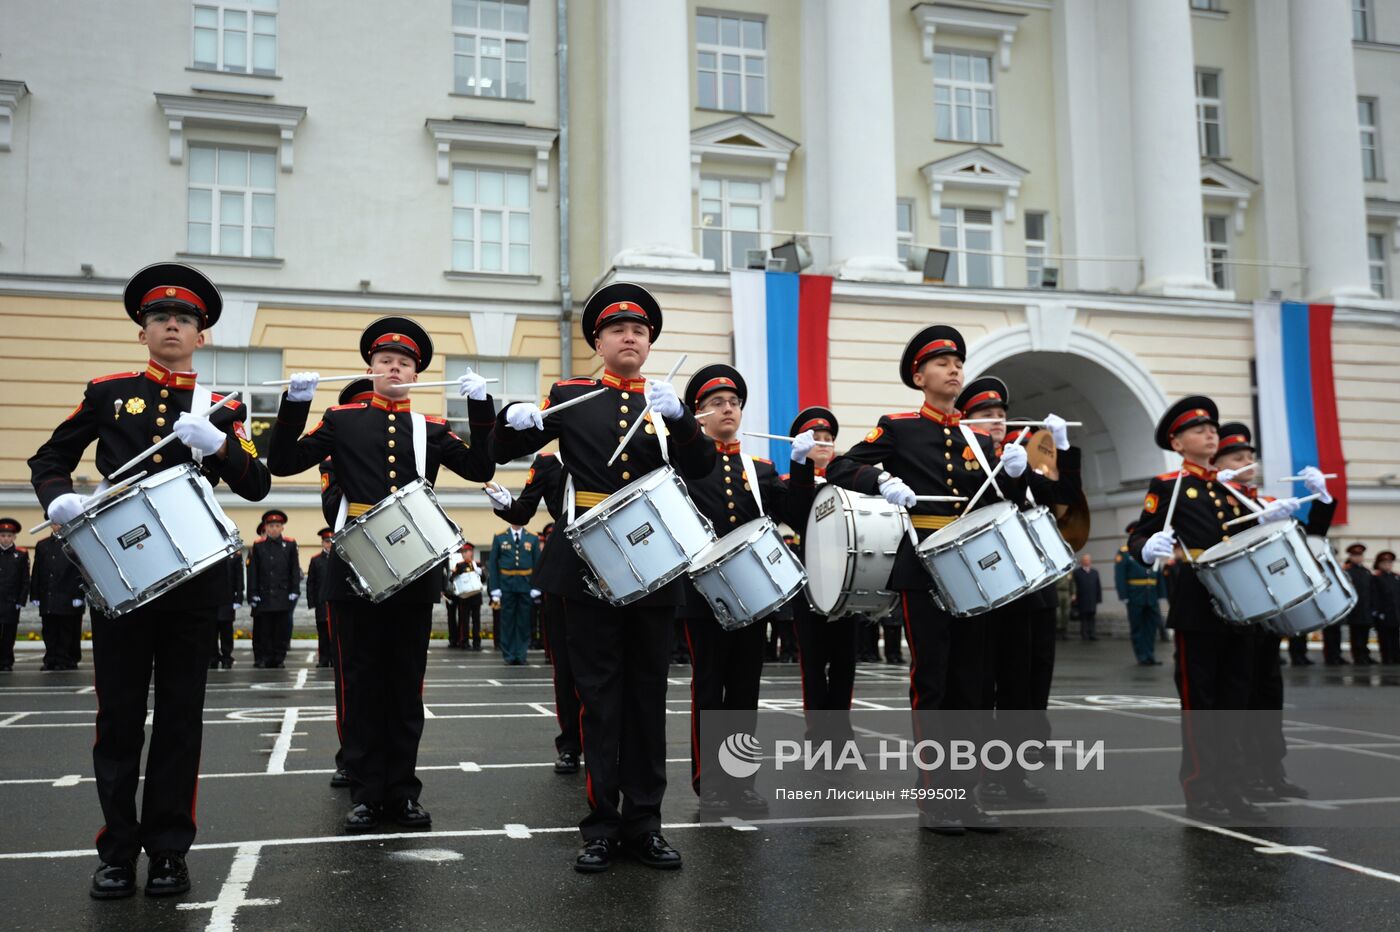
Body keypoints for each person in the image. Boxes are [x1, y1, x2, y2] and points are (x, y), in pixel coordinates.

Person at [28, 262, 271, 898]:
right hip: (121, 579)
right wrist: (58, 499)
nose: (172, 326)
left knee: (180, 721)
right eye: (160, 318)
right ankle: (116, 850)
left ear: (201, 335)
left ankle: (168, 850)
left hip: (194, 584)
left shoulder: (220, 406)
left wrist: (218, 442)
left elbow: (256, 483)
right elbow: (50, 455)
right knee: (118, 721)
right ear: (143, 332)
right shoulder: (109, 391)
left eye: (184, 319)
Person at [492, 281, 715, 873]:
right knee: (599, 701)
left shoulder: (668, 406)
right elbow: (501, 449)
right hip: (588, 564)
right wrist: (512, 419)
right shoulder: (573, 394)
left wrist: (684, 423)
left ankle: (646, 824)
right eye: (619, 330)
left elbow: (702, 472)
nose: (630, 338)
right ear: (598, 340)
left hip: (653, 566)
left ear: (649, 343)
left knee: (646, 699)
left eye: (640, 331)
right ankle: (601, 826)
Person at [268, 316, 497, 835]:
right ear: (370, 368)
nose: (395, 368)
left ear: (417, 374)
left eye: (405, 363)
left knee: (405, 688)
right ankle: (368, 793)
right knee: (362, 683)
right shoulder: (343, 419)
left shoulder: (432, 429)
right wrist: (294, 405)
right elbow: (283, 462)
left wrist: (481, 410)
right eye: (385, 361)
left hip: (414, 568)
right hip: (354, 568)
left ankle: (403, 793)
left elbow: (482, 469)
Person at [824, 324, 1029, 835]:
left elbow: (998, 502)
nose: (954, 369)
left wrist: (1017, 473)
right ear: (919, 376)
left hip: (976, 567)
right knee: (934, 684)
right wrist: (881, 480)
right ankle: (938, 799)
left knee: (974, 686)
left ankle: (969, 797)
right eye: (942, 363)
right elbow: (841, 466)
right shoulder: (899, 428)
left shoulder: (977, 436)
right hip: (924, 565)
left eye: (958, 362)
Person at [1129, 396, 1310, 823]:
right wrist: (1146, 549)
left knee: (1235, 702)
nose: (1210, 434)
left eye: (1212, 429)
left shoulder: (1230, 490)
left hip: (1241, 606)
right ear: (1177, 442)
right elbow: (1142, 534)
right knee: (1201, 706)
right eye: (1198, 430)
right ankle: (1200, 787)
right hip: (1198, 602)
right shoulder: (1169, 486)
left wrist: (1269, 519)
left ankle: (1233, 785)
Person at [676, 364, 813, 815]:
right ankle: (710, 785)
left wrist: (801, 465)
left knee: (744, 693)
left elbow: (796, 512)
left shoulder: (759, 468)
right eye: (716, 403)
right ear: (698, 415)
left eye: (733, 402)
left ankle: (741, 783)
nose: (728, 408)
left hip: (753, 595)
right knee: (710, 691)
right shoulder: (687, 463)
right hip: (704, 596)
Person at [1212, 420, 1334, 800]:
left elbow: (1310, 537)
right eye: (1237, 456)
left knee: (1268, 697)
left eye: (1250, 456)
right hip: (1233, 615)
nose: (1247, 462)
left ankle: (1272, 770)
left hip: (1267, 617)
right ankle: (1244, 774)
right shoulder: (1215, 500)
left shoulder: (1266, 502)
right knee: (1240, 699)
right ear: (1219, 464)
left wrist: (1322, 498)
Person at [486, 453, 581, 772]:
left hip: (622, 567)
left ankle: (730, 795)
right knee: (567, 665)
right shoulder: (549, 463)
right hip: (567, 567)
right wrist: (504, 502)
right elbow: (524, 510)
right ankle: (571, 742)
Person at [785, 407, 859, 744]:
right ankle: (818, 731)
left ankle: (841, 728)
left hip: (846, 579)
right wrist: (801, 470)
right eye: (817, 439)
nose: (825, 444)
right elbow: (795, 516)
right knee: (813, 663)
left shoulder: (848, 482)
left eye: (829, 439)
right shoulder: (791, 483)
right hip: (808, 580)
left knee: (845, 660)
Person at [246, 509, 301, 669]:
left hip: (282, 594)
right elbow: (253, 572)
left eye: (277, 525)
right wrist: (253, 594)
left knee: (280, 629)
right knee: (263, 629)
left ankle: (278, 658)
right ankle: (262, 658)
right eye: (270, 526)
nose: (274, 529)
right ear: (266, 527)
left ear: (282, 528)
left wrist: (294, 590)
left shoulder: (289, 544)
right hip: (264, 595)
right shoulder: (258, 546)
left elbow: (294, 569)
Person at [32, 526, 84, 670]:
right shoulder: (43, 545)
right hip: (48, 595)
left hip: (68, 595)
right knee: (49, 630)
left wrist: (79, 594)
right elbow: (37, 570)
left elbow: (80, 570)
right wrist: (35, 594)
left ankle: (63, 659)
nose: (57, 526)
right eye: (54, 522)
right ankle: (50, 659)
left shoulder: (74, 543)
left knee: (66, 630)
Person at [1115, 522, 1166, 665]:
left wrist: (1161, 592)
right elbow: (1120, 576)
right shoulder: (1124, 552)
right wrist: (1124, 595)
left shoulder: (1151, 551)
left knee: (1151, 627)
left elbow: (1158, 572)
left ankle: (1150, 655)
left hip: (1151, 595)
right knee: (1137, 627)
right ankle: (1141, 656)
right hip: (1135, 595)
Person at [488, 522, 538, 665]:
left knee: (524, 622)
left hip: (526, 585)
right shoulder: (499, 537)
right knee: (507, 622)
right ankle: (509, 655)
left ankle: (521, 654)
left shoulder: (533, 538)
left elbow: (537, 563)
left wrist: (536, 586)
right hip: (506, 585)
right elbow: (493, 564)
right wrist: (495, 588)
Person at [0, 517, 30, 671]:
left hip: (12, 601)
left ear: (14, 537)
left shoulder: (21, 554)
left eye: (9, 536)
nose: (6, 538)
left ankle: (6, 661)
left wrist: (21, 600)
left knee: (9, 634)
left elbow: (25, 580)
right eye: (3, 535)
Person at [1336, 544, 1374, 665]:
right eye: (1355, 555)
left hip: (1366, 609)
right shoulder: (1347, 571)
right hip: (1355, 609)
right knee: (1356, 635)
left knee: (1365, 635)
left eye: (1360, 555)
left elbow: (1371, 591)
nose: (1358, 558)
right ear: (1351, 557)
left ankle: (1365, 655)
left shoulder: (1367, 572)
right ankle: (1358, 656)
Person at [444, 543, 484, 650]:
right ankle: (464, 641)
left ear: (471, 552)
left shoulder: (477, 564)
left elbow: (483, 580)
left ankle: (477, 642)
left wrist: (480, 573)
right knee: (464, 621)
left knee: (476, 621)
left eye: (466, 552)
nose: (464, 554)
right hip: (465, 598)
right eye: (463, 552)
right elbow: (452, 579)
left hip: (476, 596)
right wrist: (456, 575)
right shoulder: (460, 565)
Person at [210, 551, 242, 670]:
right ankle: (212, 657)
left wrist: (238, 598)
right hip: (212, 599)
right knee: (211, 631)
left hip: (227, 598)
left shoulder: (234, 554)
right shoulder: (211, 552)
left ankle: (226, 657)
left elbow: (239, 577)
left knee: (226, 631)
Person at [307, 527, 333, 667]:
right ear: (322, 543)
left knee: (334, 633)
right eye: (326, 541)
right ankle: (323, 659)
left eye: (331, 541)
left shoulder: (339, 558)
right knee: (323, 633)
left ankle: (334, 659)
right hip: (321, 603)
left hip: (334, 603)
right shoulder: (316, 560)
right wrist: (312, 603)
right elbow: (310, 582)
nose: (329, 544)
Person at [1372, 551, 1400, 664]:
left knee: (1395, 637)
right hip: (1383, 613)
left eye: (1389, 562)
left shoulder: (1396, 577)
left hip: (1394, 613)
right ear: (1379, 564)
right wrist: (1377, 612)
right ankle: (1386, 657)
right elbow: (1374, 596)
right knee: (1384, 638)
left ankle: (1396, 656)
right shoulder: (1376, 578)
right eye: (1385, 563)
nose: (1388, 565)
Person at [1071, 554, 1102, 641]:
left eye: (1088, 560)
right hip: (1082, 599)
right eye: (1084, 560)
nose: (1086, 561)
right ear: (1081, 562)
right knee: (1083, 618)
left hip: (1092, 599)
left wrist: (1098, 598)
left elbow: (1098, 586)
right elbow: (1074, 586)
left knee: (1092, 617)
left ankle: (1092, 634)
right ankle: (1084, 634)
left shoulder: (1095, 572)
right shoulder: (1077, 572)